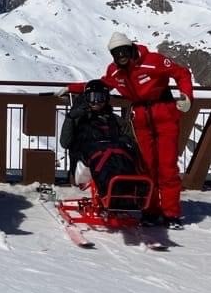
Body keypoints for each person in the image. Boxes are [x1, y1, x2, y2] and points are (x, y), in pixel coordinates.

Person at [61, 32, 194, 228]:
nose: (121, 56)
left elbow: (181, 73)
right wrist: (72, 88)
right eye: (116, 54)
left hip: (164, 113)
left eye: (124, 52)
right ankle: (150, 211)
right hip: (140, 117)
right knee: (145, 167)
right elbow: (101, 84)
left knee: (167, 168)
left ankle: (170, 214)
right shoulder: (115, 71)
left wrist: (187, 95)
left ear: (131, 49)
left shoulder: (154, 61)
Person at [59, 80, 147, 209]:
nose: (96, 102)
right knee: (105, 162)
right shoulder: (80, 119)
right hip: (90, 156)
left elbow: (132, 139)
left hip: (115, 153)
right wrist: (70, 119)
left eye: (100, 98)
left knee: (124, 156)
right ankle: (111, 193)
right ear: (86, 99)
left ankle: (128, 193)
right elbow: (65, 142)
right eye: (92, 98)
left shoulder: (115, 120)